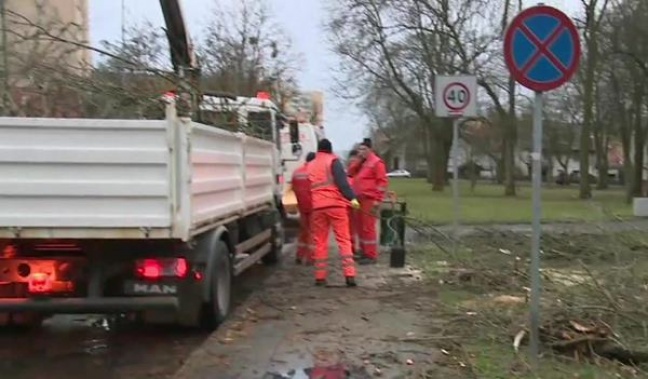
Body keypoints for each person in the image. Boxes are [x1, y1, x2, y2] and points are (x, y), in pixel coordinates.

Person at [307, 139, 361, 287]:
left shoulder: (310, 165)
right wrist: (353, 198)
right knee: (343, 240)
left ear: (318, 150)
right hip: (336, 206)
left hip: (318, 207)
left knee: (320, 242)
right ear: (330, 150)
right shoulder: (333, 161)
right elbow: (343, 183)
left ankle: (320, 277)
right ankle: (349, 275)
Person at [351, 139, 388, 265]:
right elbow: (350, 172)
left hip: (369, 199)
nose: (361, 152)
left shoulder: (376, 163)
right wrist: (358, 160)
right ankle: (363, 251)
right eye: (360, 150)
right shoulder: (362, 163)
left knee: (368, 227)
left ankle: (371, 254)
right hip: (359, 199)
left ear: (370, 149)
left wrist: (378, 200)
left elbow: (382, 182)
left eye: (364, 149)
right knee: (360, 227)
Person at [292, 152, 317, 264]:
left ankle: (299, 255)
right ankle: (311, 257)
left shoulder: (296, 172)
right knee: (312, 231)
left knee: (303, 231)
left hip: (301, 205)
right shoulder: (315, 173)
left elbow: (293, 188)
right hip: (313, 206)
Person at [346, 149, 361, 256]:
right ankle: (351, 248)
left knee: (355, 228)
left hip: (354, 205)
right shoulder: (350, 178)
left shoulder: (356, 177)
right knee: (351, 229)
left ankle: (352, 247)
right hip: (350, 206)